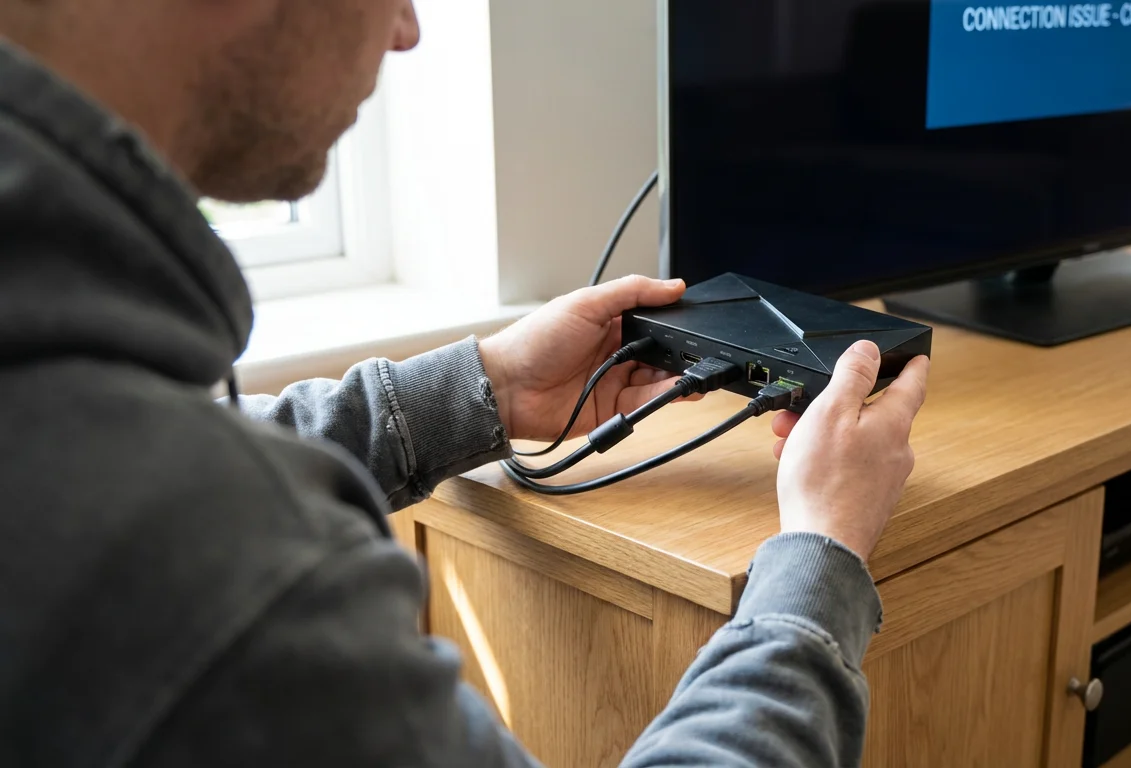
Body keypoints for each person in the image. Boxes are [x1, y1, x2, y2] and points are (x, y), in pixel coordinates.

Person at [0, 1, 930, 766]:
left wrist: (480, 389)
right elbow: (178, 505)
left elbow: (160, 455)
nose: (407, 29)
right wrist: (820, 557)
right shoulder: (225, 576)